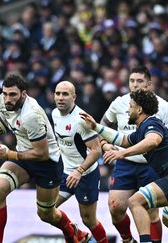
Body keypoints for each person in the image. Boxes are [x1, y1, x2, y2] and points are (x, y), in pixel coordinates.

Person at [81, 89, 168, 243]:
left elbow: (152, 141)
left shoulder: (152, 123)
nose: (127, 110)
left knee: (135, 201)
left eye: (130, 106)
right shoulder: (142, 128)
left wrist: (122, 154)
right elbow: (123, 140)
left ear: (139, 109)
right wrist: (96, 127)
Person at [0, 73, 90, 243]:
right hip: (23, 157)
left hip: (47, 164)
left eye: (13, 95)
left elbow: (42, 153)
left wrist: (8, 154)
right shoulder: (4, 100)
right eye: (5, 94)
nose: (7, 99)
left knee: (46, 214)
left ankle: (72, 230)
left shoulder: (31, 115)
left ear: (23, 94)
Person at [100, 66, 168, 243]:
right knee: (115, 206)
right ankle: (128, 240)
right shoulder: (119, 103)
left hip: (152, 163)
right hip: (125, 163)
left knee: (151, 211)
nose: (135, 85)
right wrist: (104, 144)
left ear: (149, 84)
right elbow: (104, 125)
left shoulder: (165, 107)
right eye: (132, 81)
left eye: (140, 81)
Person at [52, 81, 108, 243]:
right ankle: (75, 233)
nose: (60, 98)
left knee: (89, 220)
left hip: (86, 175)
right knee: (46, 210)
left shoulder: (81, 119)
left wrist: (79, 171)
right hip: (66, 173)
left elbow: (97, 150)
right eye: (58, 93)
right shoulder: (55, 113)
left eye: (65, 94)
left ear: (74, 97)